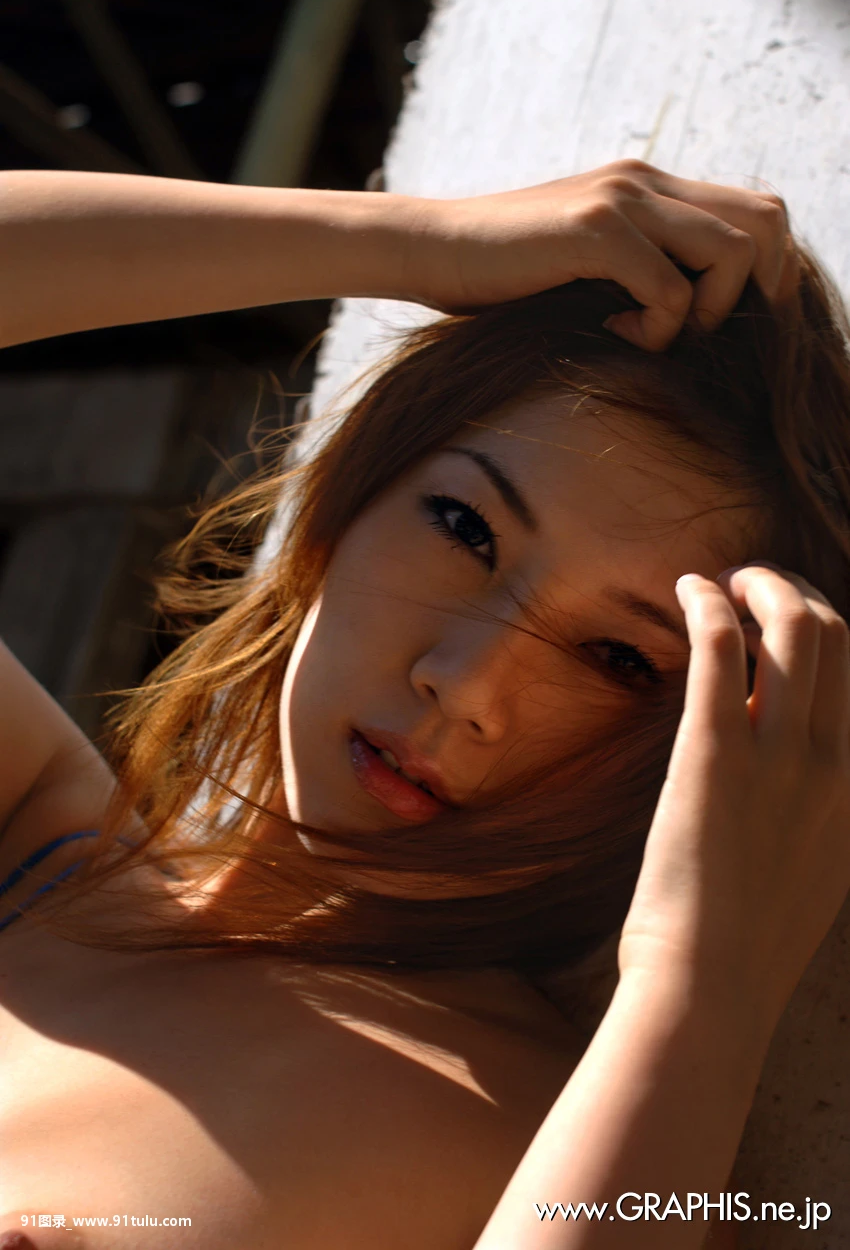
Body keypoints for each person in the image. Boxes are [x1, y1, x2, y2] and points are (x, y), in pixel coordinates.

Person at [0, 159, 847, 1250]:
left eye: (617, 657)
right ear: (355, 491)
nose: (466, 680)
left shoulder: (564, 1140)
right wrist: (413, 241)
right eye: (464, 527)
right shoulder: (35, 853)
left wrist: (706, 989)